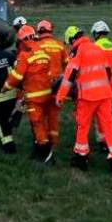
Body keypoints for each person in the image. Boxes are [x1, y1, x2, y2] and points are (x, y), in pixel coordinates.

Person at [57, 26, 112, 176]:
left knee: (83, 127)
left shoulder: (77, 51)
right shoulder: (96, 47)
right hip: (105, 95)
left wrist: (60, 96)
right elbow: (107, 71)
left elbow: (69, 77)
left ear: (73, 39)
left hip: (87, 97)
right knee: (108, 127)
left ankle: (81, 157)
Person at [3, 25, 56, 164]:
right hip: (47, 94)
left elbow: (16, 76)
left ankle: (45, 153)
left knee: (37, 124)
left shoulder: (24, 55)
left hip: (34, 97)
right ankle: (40, 148)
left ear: (22, 40)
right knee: (43, 123)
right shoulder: (44, 53)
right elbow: (49, 74)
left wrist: (5, 87)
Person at [90, 20, 112, 154]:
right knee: (108, 115)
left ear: (96, 34)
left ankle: (106, 143)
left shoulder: (94, 47)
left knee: (101, 117)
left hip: (100, 88)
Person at [36, 20, 67, 148]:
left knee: (41, 115)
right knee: (53, 115)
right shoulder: (59, 45)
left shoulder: (37, 46)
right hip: (57, 86)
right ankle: (53, 142)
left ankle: (42, 141)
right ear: (50, 31)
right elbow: (67, 64)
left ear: (39, 31)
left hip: (41, 86)